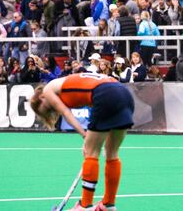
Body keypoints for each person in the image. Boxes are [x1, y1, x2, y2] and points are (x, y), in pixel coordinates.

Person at [30, 73, 135, 210]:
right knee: (112, 152)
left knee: (91, 152)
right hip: (124, 94)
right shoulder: (66, 84)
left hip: (105, 94)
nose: (52, 110)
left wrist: (85, 136)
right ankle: (108, 204)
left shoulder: (48, 90)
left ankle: (84, 205)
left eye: (48, 108)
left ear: (41, 98)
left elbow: (66, 114)